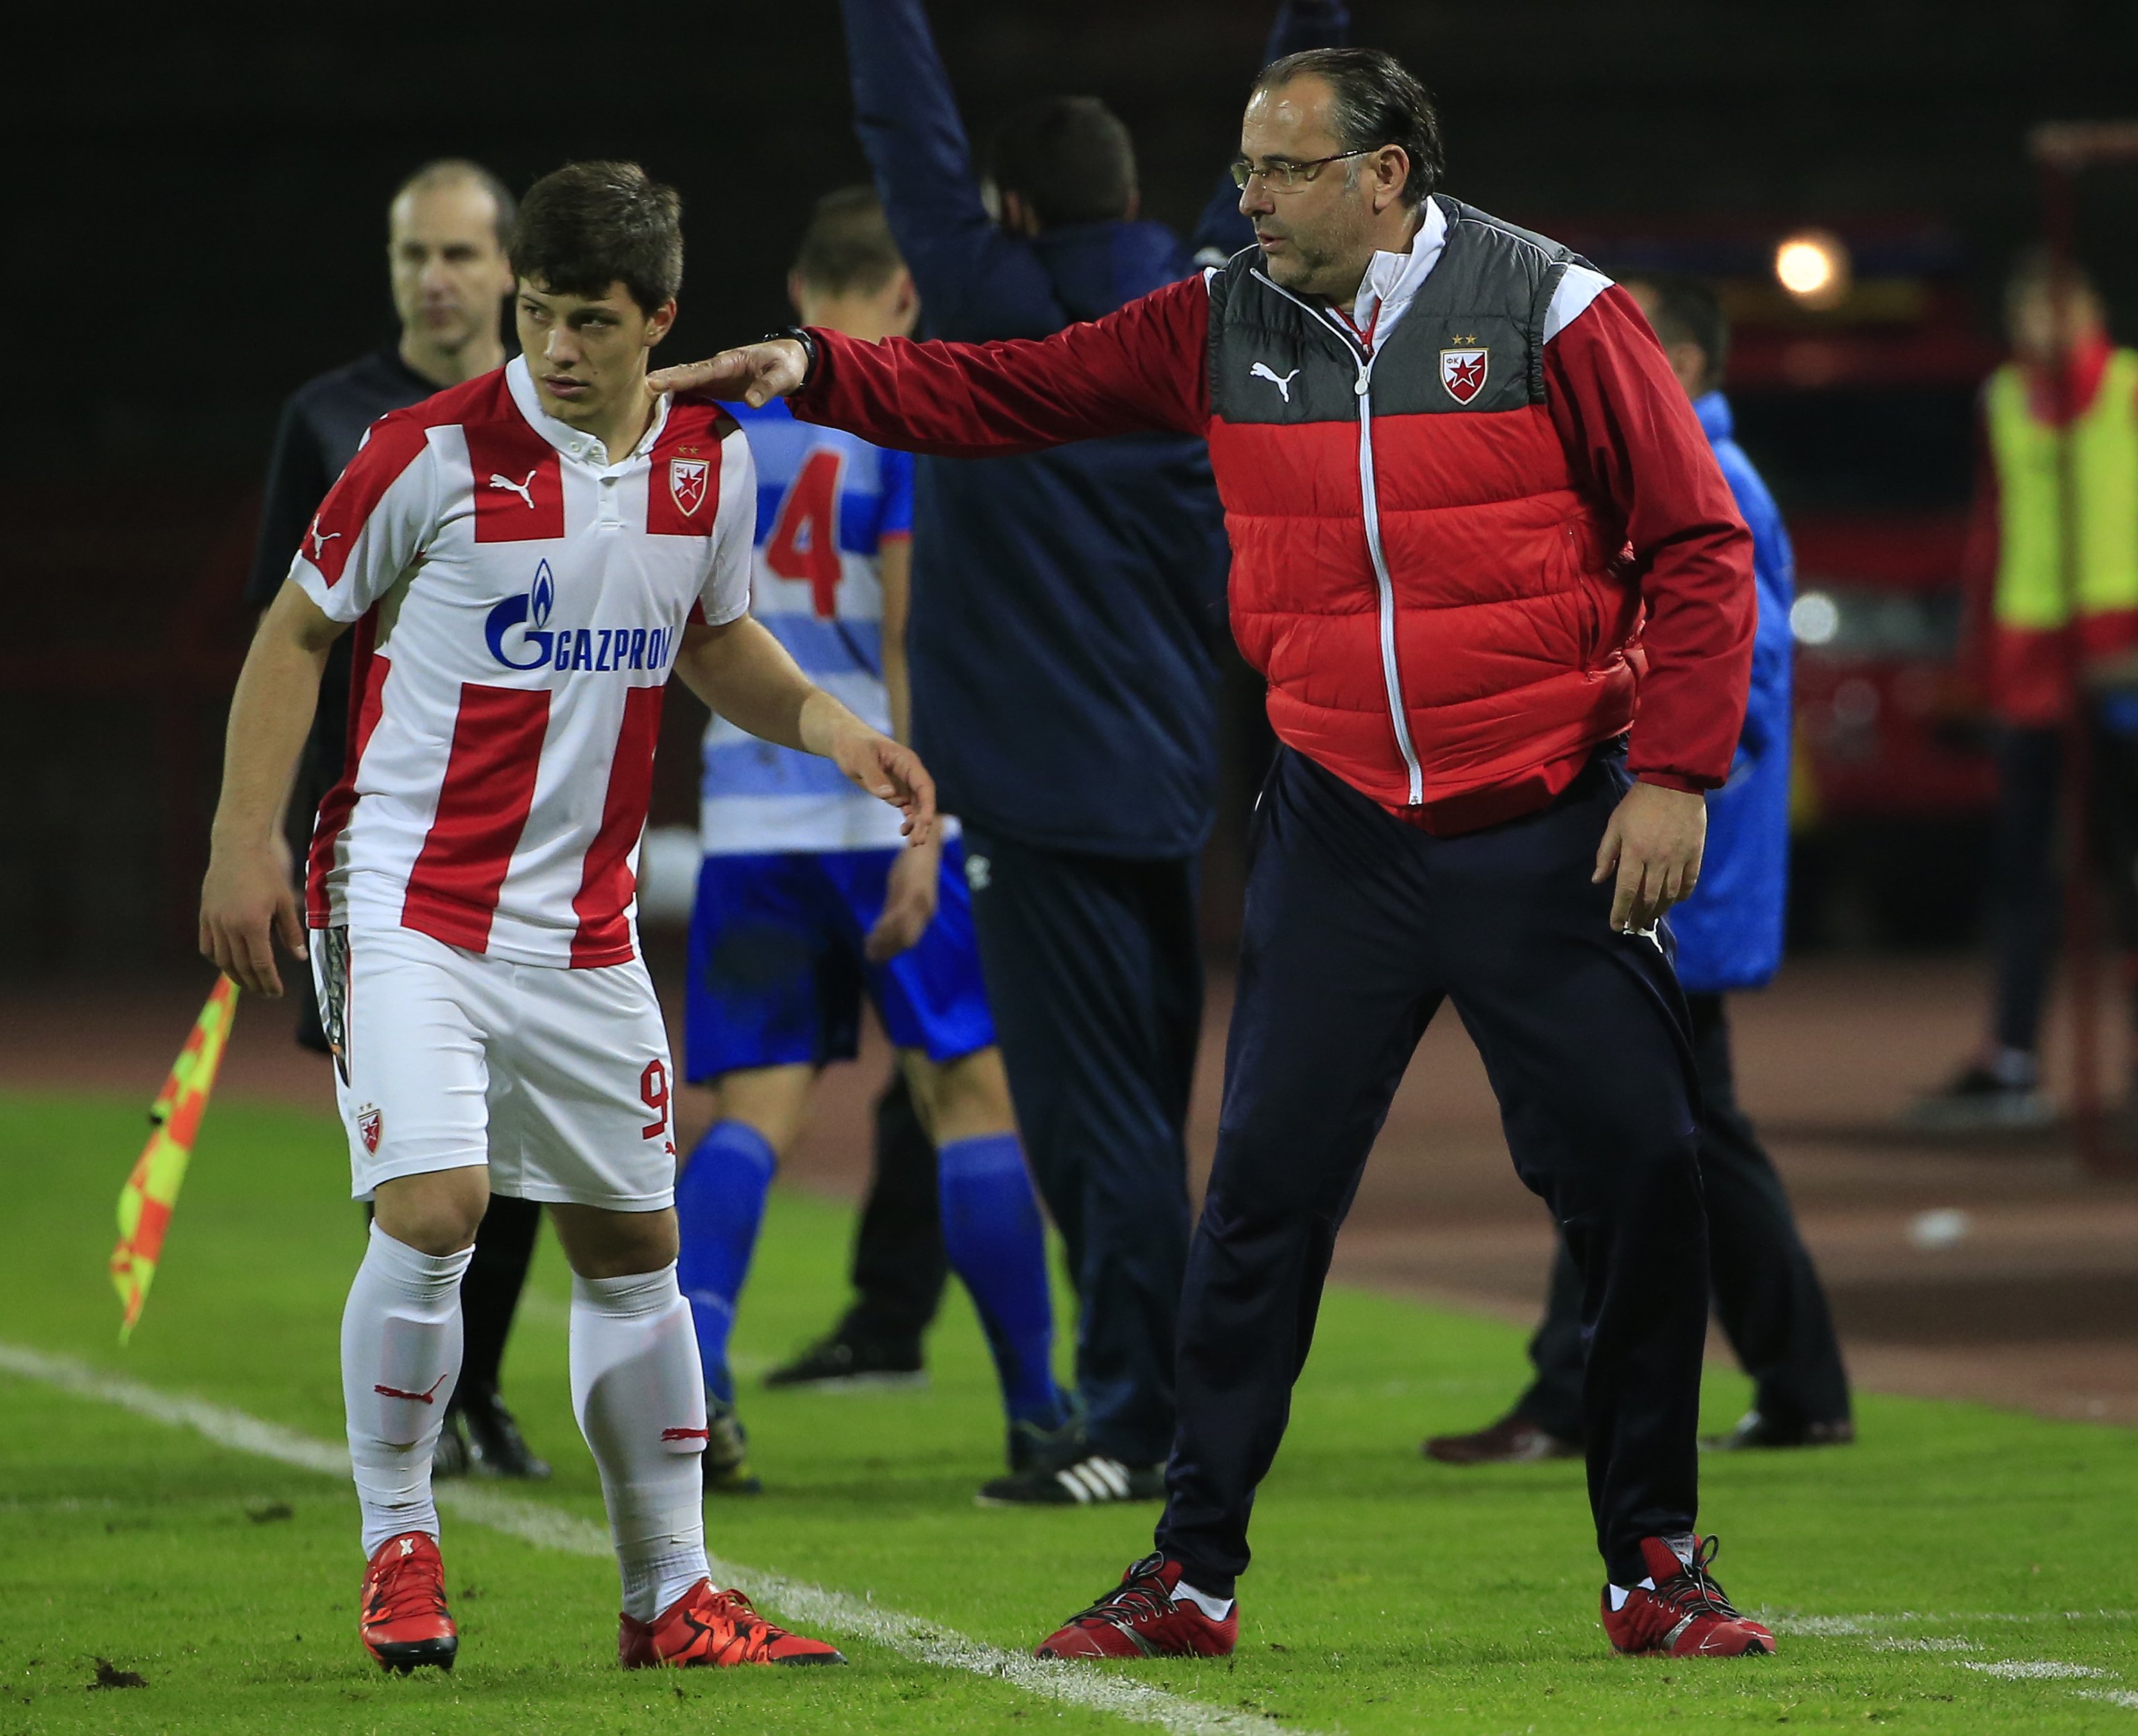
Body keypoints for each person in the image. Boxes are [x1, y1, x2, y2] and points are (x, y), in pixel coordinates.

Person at [657, 47, 1773, 1660]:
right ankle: (1189, 1571)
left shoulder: (1555, 310)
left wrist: (1669, 773)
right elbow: (1006, 390)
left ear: (1382, 175)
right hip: (1340, 826)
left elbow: (1698, 543)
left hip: (1544, 816)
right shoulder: (1213, 317)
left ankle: (1651, 1562)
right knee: (1258, 1198)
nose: (1245, 195)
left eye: (1279, 168)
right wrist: (816, 370)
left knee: (1642, 1174)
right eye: (1245, 167)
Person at [201, 159, 932, 1674]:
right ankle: (399, 1544)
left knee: (634, 1244)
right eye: (537, 312)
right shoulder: (424, 452)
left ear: (659, 316)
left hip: (584, 927)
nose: (554, 346)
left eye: (589, 320)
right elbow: (296, 628)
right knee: (437, 1208)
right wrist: (239, 841)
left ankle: (669, 1593)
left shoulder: (707, 463)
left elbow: (714, 640)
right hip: (408, 897)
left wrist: (835, 727)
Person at [818, 0, 1351, 1511]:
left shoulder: (977, 297)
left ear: (1006, 209)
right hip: (1174, 781)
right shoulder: (1202, 299)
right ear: (1131, 202)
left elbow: (904, 133)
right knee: (1142, 1113)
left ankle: (1135, 1418)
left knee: (1091, 1122)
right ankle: (1169, 1398)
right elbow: (1284, 104)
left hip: (1029, 792)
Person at [673, 186, 1069, 1490]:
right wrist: (924, 820)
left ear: (800, 288)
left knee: (752, 1111)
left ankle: (699, 1382)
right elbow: (908, 632)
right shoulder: (893, 420)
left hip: (747, 813)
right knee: (967, 1092)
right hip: (880, 800)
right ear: (905, 295)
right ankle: (1039, 1411)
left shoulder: (719, 432)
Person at [1424, 275, 1854, 1466]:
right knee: (1668, 1123)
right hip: (1674, 864)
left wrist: (1644, 772)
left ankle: (1582, 1391)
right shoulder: (1687, 472)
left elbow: (1741, 681)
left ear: (1681, 361)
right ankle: (1795, 1384)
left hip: (1676, 869)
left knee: (1629, 1121)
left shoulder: (1711, 481)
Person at [245, 159, 549, 1482]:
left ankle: (475, 1389)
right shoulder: (328, 419)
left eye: (459, 254)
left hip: (529, 846)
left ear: (507, 268)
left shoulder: (557, 415)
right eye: (413, 254)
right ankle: (429, 1407)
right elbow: (282, 632)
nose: (434, 278)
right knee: (417, 1146)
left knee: (521, 1142)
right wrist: (261, 829)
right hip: (371, 845)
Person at [1913, 253, 2138, 1133]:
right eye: (2024, 314)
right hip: (2029, 660)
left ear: (2087, 310)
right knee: (2020, 869)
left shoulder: (2126, 388)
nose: (2037, 330)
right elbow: (1991, 527)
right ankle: (2010, 1056)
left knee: (2127, 865)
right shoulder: (2002, 399)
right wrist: (1980, 661)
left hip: (2121, 655)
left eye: (2052, 311)